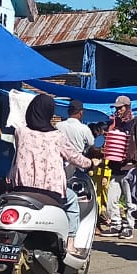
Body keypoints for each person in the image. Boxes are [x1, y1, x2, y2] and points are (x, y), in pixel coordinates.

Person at [9, 94, 98, 257]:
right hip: (50, 192)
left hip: (20, 188)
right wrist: (91, 163)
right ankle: (70, 243)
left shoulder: (20, 132)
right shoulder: (56, 136)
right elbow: (75, 158)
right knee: (72, 201)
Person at [102, 96, 137, 239]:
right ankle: (116, 224)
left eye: (121, 108)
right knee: (111, 199)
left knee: (130, 201)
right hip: (115, 168)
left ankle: (129, 226)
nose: (118, 111)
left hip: (130, 170)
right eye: (116, 108)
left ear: (127, 107)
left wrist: (132, 157)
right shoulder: (115, 125)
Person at [56, 99, 95, 166]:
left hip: (61, 162)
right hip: (78, 163)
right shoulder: (84, 128)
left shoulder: (58, 125)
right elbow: (91, 144)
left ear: (68, 112)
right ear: (81, 112)